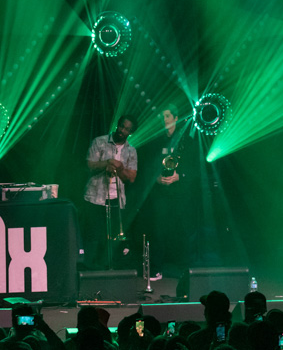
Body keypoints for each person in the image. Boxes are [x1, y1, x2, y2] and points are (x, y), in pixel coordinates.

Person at [140, 104, 199, 279]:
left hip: (181, 193)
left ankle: (185, 269)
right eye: (161, 117)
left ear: (175, 117)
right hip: (160, 193)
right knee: (158, 230)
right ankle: (156, 268)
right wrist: (156, 178)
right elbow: (148, 166)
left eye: (166, 116)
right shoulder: (156, 141)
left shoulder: (187, 140)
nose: (164, 120)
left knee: (183, 230)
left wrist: (179, 176)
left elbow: (196, 167)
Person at [83, 114, 138, 269]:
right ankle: (89, 270)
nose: (122, 131)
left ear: (131, 132)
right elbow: (89, 166)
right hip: (95, 196)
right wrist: (106, 163)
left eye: (127, 129)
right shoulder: (99, 141)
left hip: (116, 198)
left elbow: (132, 177)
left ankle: (108, 269)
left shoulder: (131, 151)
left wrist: (119, 168)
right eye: (121, 126)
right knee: (93, 236)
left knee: (112, 237)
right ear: (117, 125)